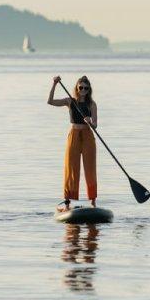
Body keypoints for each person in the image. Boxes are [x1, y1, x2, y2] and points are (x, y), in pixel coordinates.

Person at [47, 75, 99, 211]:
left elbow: (95, 124)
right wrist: (54, 84)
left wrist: (90, 122)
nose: (83, 90)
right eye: (81, 87)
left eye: (86, 88)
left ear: (89, 90)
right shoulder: (70, 101)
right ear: (77, 87)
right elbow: (50, 101)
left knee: (90, 169)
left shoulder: (92, 104)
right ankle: (68, 202)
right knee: (71, 168)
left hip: (88, 135)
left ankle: (93, 202)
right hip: (74, 135)